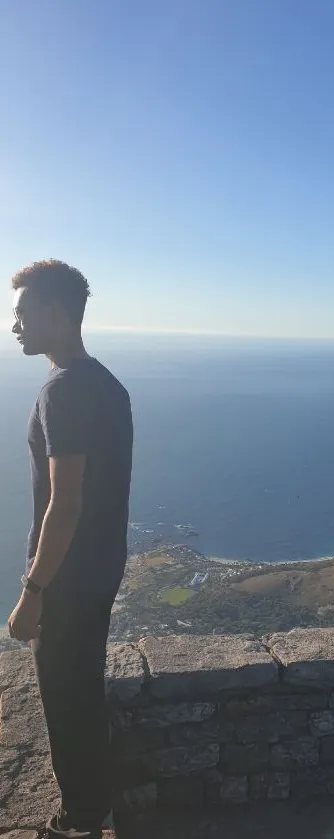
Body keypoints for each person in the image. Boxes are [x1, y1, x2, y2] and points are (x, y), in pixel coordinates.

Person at [8, 260, 133, 839]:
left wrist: (34, 592)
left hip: (67, 578)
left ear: (55, 314)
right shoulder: (108, 383)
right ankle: (96, 808)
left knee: (65, 698)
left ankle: (80, 821)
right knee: (82, 688)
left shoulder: (61, 392)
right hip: (101, 567)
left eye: (24, 312)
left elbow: (66, 503)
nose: (14, 324)